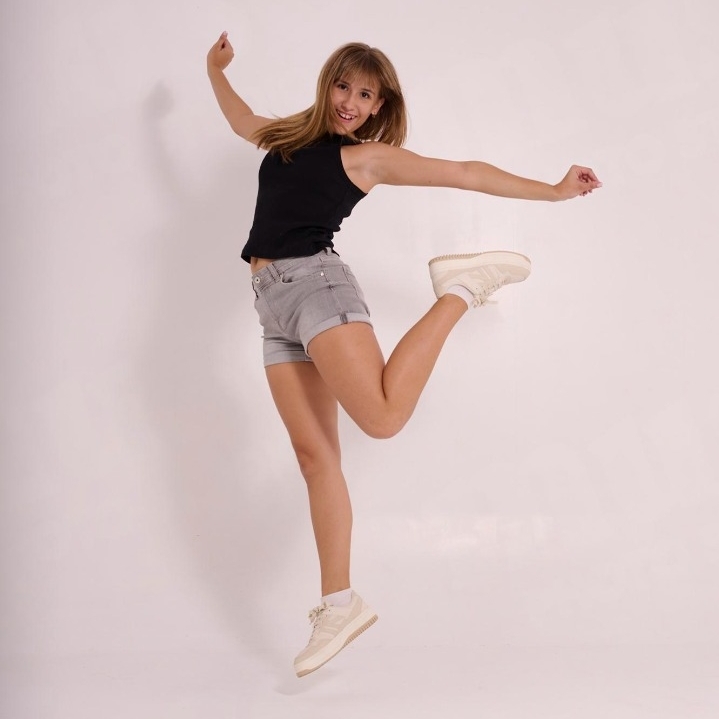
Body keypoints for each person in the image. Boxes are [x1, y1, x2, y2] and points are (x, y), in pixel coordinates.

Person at [206, 32, 601, 677]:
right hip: (272, 309)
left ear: (379, 106)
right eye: (344, 86)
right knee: (315, 459)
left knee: (384, 419)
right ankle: (339, 604)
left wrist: (553, 190)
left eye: (366, 95)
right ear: (327, 84)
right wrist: (215, 69)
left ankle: (460, 291)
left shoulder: (366, 158)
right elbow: (238, 117)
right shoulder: (285, 139)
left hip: (316, 287)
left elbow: (465, 172)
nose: (351, 102)